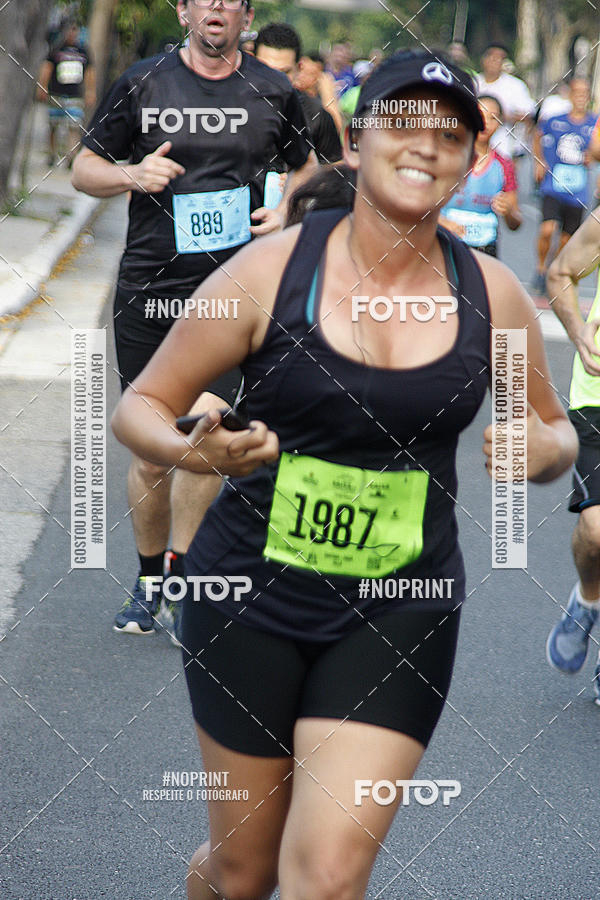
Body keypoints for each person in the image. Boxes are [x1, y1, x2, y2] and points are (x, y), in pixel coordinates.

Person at [111, 49, 576, 900]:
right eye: (400, 124)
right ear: (355, 142)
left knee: (326, 877)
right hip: (249, 598)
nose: (425, 146)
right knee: (244, 873)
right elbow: (140, 405)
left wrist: (546, 452)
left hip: (401, 607)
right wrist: (196, 449)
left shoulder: (496, 294)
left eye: (450, 133)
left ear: (475, 158)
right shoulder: (269, 270)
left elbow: (553, 431)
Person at [72, 0, 317, 640]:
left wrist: (289, 205)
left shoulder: (274, 90)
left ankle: (181, 580)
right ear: (184, 11)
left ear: (245, 15)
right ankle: (148, 580)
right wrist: (132, 172)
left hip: (236, 293)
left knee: (203, 430)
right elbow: (82, 167)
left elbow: (313, 164)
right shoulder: (143, 83)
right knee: (154, 454)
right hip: (151, 292)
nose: (215, 7)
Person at [545, 209, 600, 704]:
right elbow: (561, 271)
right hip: (598, 397)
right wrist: (580, 331)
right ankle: (587, 597)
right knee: (596, 529)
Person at [532, 78, 597, 294]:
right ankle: (541, 269)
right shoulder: (554, 120)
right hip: (553, 185)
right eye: (577, 92)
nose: (580, 97)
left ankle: (553, 267)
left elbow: (597, 151)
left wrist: (592, 157)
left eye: (584, 93)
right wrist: (539, 162)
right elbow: (537, 136)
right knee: (546, 229)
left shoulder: (594, 124)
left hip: (577, 190)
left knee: (566, 238)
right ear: (569, 95)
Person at [439, 95, 522, 256]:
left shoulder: (504, 165)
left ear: (500, 123)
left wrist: (508, 210)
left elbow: (515, 222)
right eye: (481, 115)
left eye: (493, 118)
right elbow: (419, 208)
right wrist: (443, 223)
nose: (486, 123)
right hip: (445, 247)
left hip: (485, 252)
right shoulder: (446, 156)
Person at [255, 23, 342, 166]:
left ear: (298, 68)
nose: (273, 82)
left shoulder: (317, 116)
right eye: (266, 71)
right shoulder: (233, 107)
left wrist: (301, 179)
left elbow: (335, 174)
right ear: (252, 61)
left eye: (284, 73)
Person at [37, 20, 96, 167]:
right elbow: (47, 68)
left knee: (74, 126)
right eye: (70, 30)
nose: (72, 33)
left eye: (75, 30)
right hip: (56, 93)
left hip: (75, 95)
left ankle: (71, 157)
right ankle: (51, 154)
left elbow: (90, 72)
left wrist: (90, 91)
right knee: (53, 125)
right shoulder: (56, 49)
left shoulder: (83, 51)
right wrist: (42, 86)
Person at [475, 43, 535, 159]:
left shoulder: (516, 85)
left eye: (500, 59)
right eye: (492, 58)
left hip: (506, 148)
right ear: (484, 60)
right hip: (477, 147)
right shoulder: (474, 82)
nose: (495, 63)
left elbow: (528, 115)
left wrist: (502, 117)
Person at [295, 51, 343, 132]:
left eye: (308, 73)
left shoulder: (322, 100)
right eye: (299, 71)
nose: (300, 76)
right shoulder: (292, 95)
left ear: (318, 77)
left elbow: (335, 128)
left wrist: (328, 93)